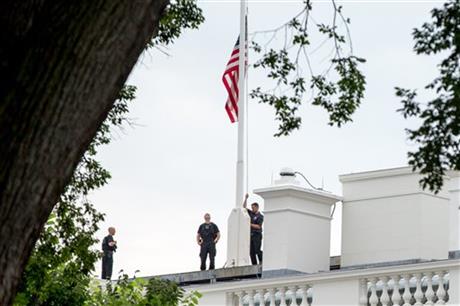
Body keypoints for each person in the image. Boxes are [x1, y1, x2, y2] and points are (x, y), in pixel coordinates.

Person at [243, 193, 264, 265]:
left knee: (257, 250)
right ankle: (254, 264)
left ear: (257, 207)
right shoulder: (251, 213)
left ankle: (262, 261)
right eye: (252, 208)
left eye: (253, 208)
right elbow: (244, 207)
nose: (252, 209)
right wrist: (246, 198)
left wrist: (249, 224)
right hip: (251, 235)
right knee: (251, 252)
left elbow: (259, 226)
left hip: (257, 235)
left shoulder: (260, 216)